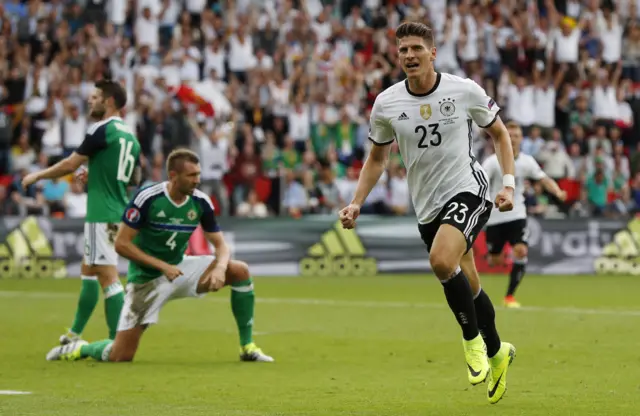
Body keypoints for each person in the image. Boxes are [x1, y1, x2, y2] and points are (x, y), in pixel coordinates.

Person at [339, 22, 516, 404]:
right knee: (467, 282)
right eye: (402, 50)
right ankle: (498, 351)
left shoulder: (464, 90)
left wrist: (509, 184)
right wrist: (356, 201)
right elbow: (377, 158)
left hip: (469, 188)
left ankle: (472, 344)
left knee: (441, 260)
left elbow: (500, 134)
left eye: (416, 48)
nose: (409, 55)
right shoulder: (386, 103)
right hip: (428, 206)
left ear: (432, 53)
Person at [45, 149, 274, 363]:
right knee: (120, 355)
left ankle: (247, 347)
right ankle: (79, 348)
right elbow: (122, 245)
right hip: (147, 280)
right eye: (191, 175)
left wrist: (220, 268)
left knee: (240, 270)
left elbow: (221, 246)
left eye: (198, 174)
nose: (197, 180)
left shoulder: (201, 202)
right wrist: (162, 266)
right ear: (173, 175)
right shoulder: (148, 198)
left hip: (180, 269)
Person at [22, 80, 141, 345]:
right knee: (88, 271)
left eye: (96, 96)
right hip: (116, 211)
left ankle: (116, 342)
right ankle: (74, 333)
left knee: (108, 278)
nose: (90, 100)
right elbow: (133, 177)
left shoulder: (101, 129)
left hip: (103, 214)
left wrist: (37, 176)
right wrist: (97, 171)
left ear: (109, 102)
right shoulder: (131, 138)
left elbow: (69, 164)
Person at [482, 121, 567, 308]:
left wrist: (558, 191)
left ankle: (509, 297)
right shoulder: (491, 162)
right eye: (509, 135)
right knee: (494, 260)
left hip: (517, 213)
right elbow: (479, 183)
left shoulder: (527, 161)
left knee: (521, 251)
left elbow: (543, 179)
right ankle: (498, 254)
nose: (512, 139)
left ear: (521, 139)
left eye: (516, 136)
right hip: (495, 217)